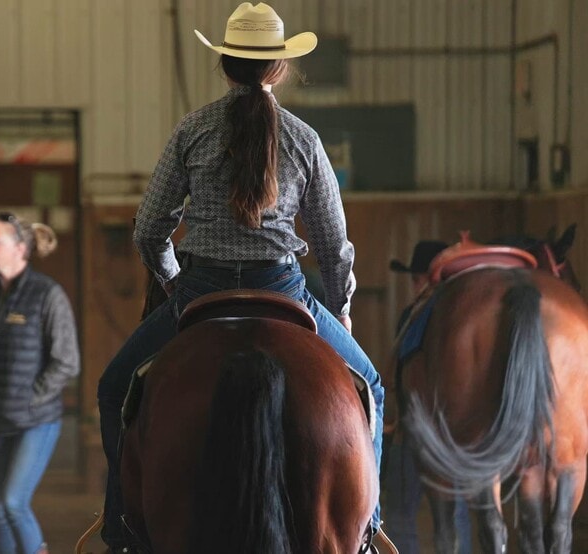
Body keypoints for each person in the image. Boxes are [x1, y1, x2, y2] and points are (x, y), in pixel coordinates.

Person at [96, 3, 385, 551]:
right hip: (282, 286)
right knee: (370, 385)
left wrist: (173, 282)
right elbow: (333, 246)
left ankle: (120, 527)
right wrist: (342, 308)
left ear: (226, 65)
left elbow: (150, 229)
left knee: (114, 389)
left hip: (200, 288)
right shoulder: (304, 138)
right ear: (279, 67)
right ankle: (369, 526)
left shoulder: (192, 130)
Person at [0, 212, 80, 554]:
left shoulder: (48, 294)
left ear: (20, 249)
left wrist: (30, 397)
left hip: (35, 419)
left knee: (13, 502)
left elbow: (67, 361)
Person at [386, 240, 472, 554]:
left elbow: (397, 373)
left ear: (425, 278)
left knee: (399, 514)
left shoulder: (415, 314)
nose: (414, 285)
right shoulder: (463, 317)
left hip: (412, 427)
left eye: (415, 278)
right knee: (456, 512)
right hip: (454, 433)